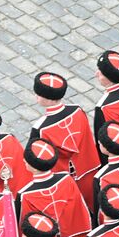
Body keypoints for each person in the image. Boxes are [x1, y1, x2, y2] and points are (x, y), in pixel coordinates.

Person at [27, 73, 101, 208]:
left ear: (48, 99)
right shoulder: (77, 110)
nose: (36, 96)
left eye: (39, 94)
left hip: (61, 180)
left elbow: (35, 159)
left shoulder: (40, 128)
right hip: (88, 168)